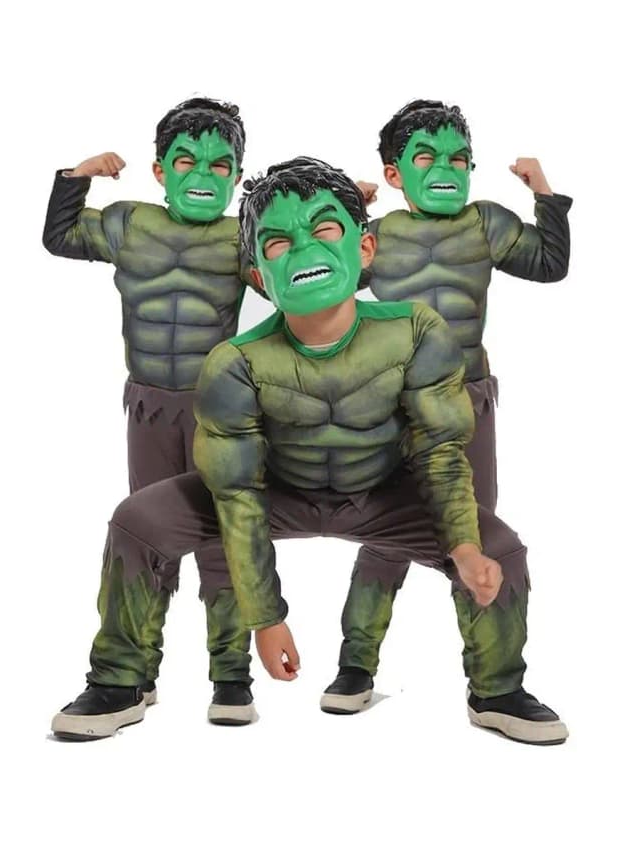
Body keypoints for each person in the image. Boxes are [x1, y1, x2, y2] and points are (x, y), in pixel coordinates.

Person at [51, 157, 567, 746]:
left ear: (364, 248)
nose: (304, 248)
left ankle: (498, 690)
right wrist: (267, 617)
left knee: (502, 548)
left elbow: (440, 452)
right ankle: (120, 680)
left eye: (324, 229)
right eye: (277, 241)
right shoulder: (235, 363)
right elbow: (238, 493)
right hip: (279, 493)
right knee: (137, 521)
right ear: (258, 274)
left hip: (382, 495)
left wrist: (466, 548)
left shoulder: (415, 331)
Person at [43, 97, 264, 724]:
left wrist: (342, 213)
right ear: (161, 170)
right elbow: (61, 237)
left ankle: (232, 676)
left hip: (219, 410)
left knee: (226, 536)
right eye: (187, 161)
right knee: (146, 531)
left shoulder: (241, 237)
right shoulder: (129, 224)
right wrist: (78, 176)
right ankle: (132, 676)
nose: (203, 175)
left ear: (236, 176)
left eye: (220, 166)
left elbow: (311, 283)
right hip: (149, 406)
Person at [358, 98, 572, 511]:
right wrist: (343, 217)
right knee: (391, 519)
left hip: (467, 389)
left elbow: (550, 264)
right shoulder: (376, 236)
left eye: (457, 159)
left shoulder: (484, 224)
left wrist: (542, 190)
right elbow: (320, 288)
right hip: (393, 397)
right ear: (394, 174)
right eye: (426, 157)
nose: (445, 169)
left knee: (475, 517)